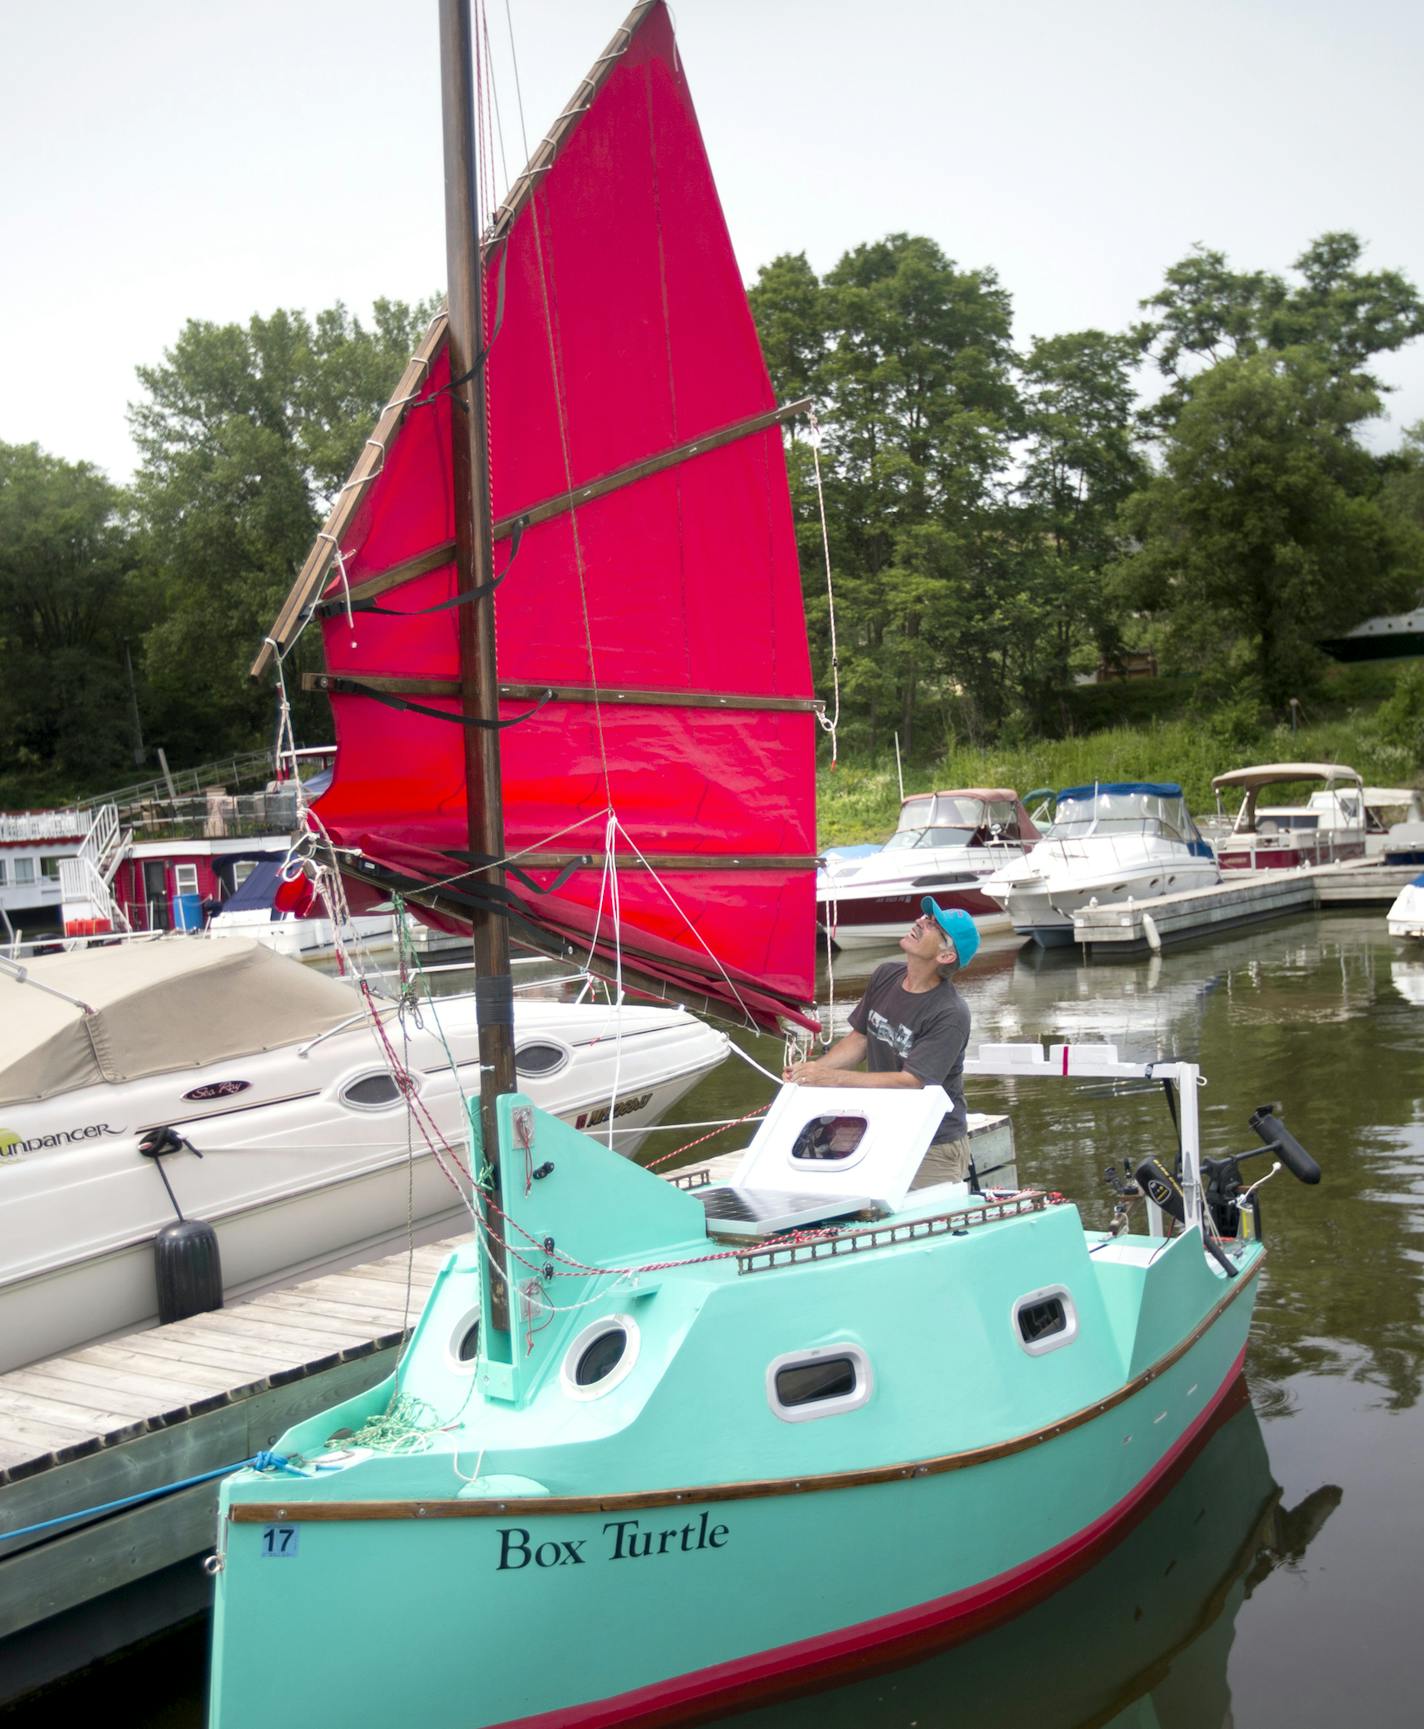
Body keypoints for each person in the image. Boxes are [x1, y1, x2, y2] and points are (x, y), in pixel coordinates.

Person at [783, 896, 979, 1185]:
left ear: (946, 956)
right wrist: (810, 1074)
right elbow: (860, 1039)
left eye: (933, 925)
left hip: (932, 1143)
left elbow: (912, 1081)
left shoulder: (950, 1012)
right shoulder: (886, 975)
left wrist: (832, 1078)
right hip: (881, 1128)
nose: (920, 922)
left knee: (925, 1226)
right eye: (925, 917)